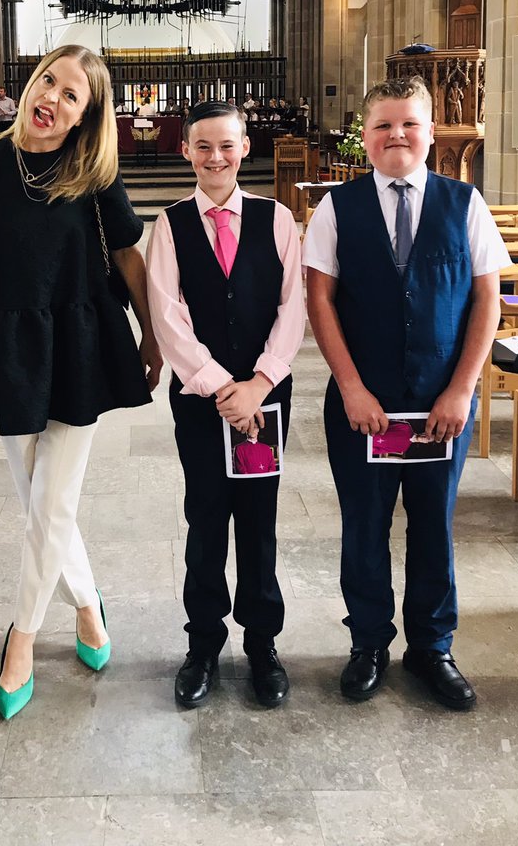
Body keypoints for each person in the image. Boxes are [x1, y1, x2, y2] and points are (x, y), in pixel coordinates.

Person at [0, 44, 162, 720]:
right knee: (42, 502)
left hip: (78, 342)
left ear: (84, 116)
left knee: (53, 501)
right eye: (49, 82)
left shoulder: (93, 170)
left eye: (73, 95)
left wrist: (152, 334)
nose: (55, 99)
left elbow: (128, 254)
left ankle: (22, 640)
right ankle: (90, 610)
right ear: (30, 86)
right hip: (8, 344)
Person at [304, 76, 508, 710]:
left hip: (440, 405)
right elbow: (320, 301)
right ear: (363, 138)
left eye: (409, 124)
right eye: (383, 126)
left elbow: (486, 299)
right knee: (364, 527)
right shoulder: (337, 208)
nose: (397, 135)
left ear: (430, 132)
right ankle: (368, 642)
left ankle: (431, 647)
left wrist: (462, 391)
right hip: (364, 408)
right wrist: (352, 387)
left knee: (433, 527)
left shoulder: (464, 203)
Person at [147, 101, 305, 709]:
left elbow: (294, 307)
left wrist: (260, 383)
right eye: (204, 146)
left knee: (259, 520)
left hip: (266, 403)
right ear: (186, 151)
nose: (216, 157)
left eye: (228, 145)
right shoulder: (171, 224)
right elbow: (167, 313)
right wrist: (220, 386)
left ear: (246, 149)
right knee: (207, 518)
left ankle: (262, 644)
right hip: (200, 402)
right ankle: (204, 645)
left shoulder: (277, 218)